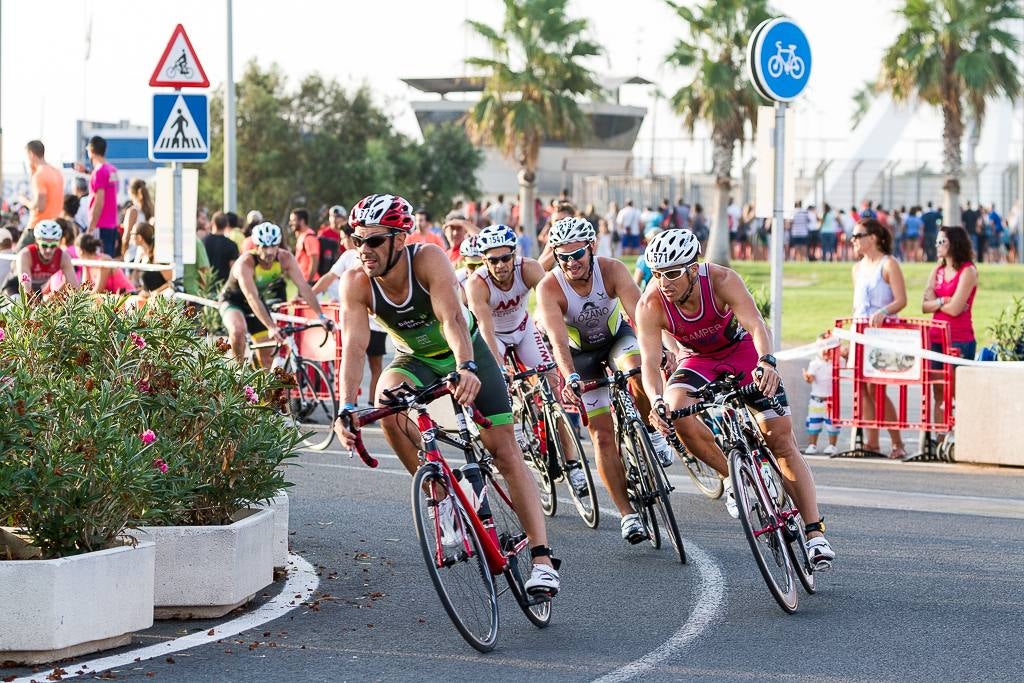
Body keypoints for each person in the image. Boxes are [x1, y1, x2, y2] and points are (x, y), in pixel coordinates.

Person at [332, 193, 560, 596]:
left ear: (399, 239)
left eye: (373, 240)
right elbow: (352, 345)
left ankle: (542, 559)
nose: (363, 249)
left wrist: (466, 367)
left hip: (467, 351)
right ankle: (442, 495)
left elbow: (453, 318)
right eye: (356, 239)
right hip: (416, 359)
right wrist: (346, 406)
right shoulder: (355, 282)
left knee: (505, 451)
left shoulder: (428, 260)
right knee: (388, 404)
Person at [634, 228, 835, 569]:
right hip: (697, 360)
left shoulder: (723, 280)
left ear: (692, 269)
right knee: (677, 410)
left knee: (780, 440)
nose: (664, 282)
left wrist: (767, 363)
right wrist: (655, 401)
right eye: (657, 274)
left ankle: (815, 533)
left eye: (671, 274)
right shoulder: (650, 303)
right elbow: (651, 364)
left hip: (741, 352)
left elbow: (756, 325)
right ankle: (731, 477)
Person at [536, 216, 675, 545]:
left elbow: (641, 318)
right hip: (580, 358)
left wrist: (661, 350)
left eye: (578, 254)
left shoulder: (612, 270)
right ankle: (628, 515)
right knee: (600, 436)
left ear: (592, 248)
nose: (571, 262)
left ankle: (651, 432)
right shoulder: (550, 287)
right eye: (563, 256)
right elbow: (557, 341)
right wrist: (569, 376)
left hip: (616, 340)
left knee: (639, 368)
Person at [466, 224, 589, 498]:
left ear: (514, 255)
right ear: (484, 261)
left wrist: (549, 327)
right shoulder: (477, 284)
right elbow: (485, 330)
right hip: (494, 336)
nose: (500, 265)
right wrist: (498, 368)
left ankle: (573, 465)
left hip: (523, 329)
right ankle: (518, 425)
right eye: (493, 260)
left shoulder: (530, 268)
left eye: (505, 258)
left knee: (553, 389)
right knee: (500, 386)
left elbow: (552, 303)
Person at [219, 222, 330, 367]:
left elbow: (304, 287)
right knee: (238, 330)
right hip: (233, 301)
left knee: (267, 357)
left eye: (274, 246)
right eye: (264, 247)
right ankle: (236, 373)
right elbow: (252, 297)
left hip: (257, 303)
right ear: (256, 246)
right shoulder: (246, 263)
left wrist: (320, 316)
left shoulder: (285, 258)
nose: (270, 252)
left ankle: (264, 389)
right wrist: (271, 326)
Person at [312, 220, 387, 406]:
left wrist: (309, 295)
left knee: (365, 363)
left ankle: (367, 405)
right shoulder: (352, 257)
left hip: (373, 321)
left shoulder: (355, 256)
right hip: (363, 320)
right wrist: (309, 295)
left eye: (344, 238)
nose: (342, 242)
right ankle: (360, 405)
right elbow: (330, 277)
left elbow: (329, 277)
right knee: (363, 362)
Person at [852, 217, 908, 459]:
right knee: (862, 388)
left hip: (879, 334)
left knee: (878, 389)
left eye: (857, 236)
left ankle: (897, 442)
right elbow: (856, 305)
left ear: (872, 238)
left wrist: (883, 311)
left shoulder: (888, 264)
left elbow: (901, 299)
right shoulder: (857, 268)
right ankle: (871, 442)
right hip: (859, 331)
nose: (853, 241)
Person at [922, 226, 978, 440]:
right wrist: (944, 301)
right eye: (937, 242)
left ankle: (962, 436)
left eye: (941, 242)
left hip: (960, 339)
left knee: (955, 392)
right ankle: (941, 437)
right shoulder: (937, 271)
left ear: (954, 243)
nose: (937, 246)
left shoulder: (968, 271)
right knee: (938, 392)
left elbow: (956, 309)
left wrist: (938, 303)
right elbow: (924, 305)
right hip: (936, 338)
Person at [3, 220, 79, 297]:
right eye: (44, 245)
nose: (48, 250)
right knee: (18, 299)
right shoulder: (25, 255)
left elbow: (74, 286)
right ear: (36, 242)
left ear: (58, 243)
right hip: (15, 287)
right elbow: (25, 287)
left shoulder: (64, 257)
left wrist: (51, 299)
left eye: (53, 245)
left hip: (36, 290)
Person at [802, 335, 840, 455]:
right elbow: (811, 378)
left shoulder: (837, 363)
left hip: (832, 400)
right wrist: (807, 377)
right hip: (816, 400)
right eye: (822, 347)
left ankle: (832, 445)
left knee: (832, 424)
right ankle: (812, 445)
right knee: (813, 423)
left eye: (829, 347)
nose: (826, 350)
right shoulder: (814, 363)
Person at [84, 136, 121, 256]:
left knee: (100, 261)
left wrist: (91, 227)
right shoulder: (113, 170)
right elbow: (113, 193)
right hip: (112, 224)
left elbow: (99, 201)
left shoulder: (99, 172)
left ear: (91, 150)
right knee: (109, 260)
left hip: (101, 224)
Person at [20, 140, 64, 232]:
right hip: (55, 224)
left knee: (20, 247)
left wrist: (25, 201)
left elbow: (40, 207)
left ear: (31, 154)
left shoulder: (39, 175)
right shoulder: (57, 172)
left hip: (38, 226)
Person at [127, 222, 173, 306]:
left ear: (139, 237)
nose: (130, 235)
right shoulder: (142, 255)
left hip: (158, 302)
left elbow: (171, 282)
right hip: (146, 299)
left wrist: (153, 293)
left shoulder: (158, 256)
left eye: (132, 233)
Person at [120, 179, 155, 261]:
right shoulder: (152, 209)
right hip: (147, 256)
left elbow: (126, 236)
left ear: (132, 194)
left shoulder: (133, 211)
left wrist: (123, 254)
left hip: (133, 256)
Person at [203, 211, 241, 284]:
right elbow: (233, 268)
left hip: (206, 285)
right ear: (227, 224)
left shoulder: (203, 242)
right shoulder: (232, 245)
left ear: (212, 223)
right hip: (223, 285)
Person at [289, 208, 320, 285]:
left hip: (311, 282)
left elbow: (314, 261)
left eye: (293, 220)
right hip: (303, 281)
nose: (290, 223)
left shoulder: (309, 237)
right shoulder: (302, 236)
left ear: (302, 221)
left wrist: (309, 281)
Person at [317, 205, 345, 277]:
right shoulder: (323, 233)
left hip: (345, 269)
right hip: (327, 270)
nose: (334, 219)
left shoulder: (348, 233)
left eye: (338, 216)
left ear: (344, 218)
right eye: (332, 216)